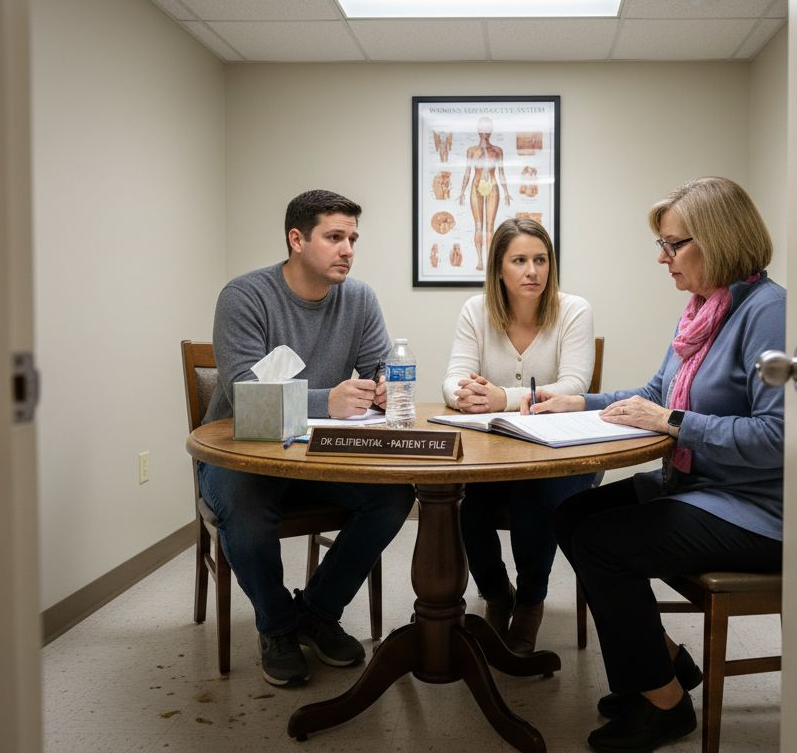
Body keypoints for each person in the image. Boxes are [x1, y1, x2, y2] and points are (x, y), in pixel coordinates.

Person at [529, 177, 785, 752]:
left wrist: (674, 425)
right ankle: (659, 665)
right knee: (572, 515)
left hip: (758, 511)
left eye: (673, 244)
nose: (661, 257)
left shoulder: (769, 313)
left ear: (716, 241)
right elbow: (656, 392)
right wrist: (580, 401)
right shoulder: (705, 309)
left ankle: (665, 704)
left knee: (603, 542)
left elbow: (779, 436)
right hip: (702, 486)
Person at [197, 189, 415, 687]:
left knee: (394, 495)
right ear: (297, 239)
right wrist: (327, 401)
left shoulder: (359, 298)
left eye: (353, 238)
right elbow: (245, 397)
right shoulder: (244, 296)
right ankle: (277, 626)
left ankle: (317, 612)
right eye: (334, 237)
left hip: (319, 457)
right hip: (243, 456)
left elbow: (380, 364)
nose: (348, 250)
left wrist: (383, 385)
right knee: (245, 509)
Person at [442, 217, 595, 653]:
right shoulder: (476, 310)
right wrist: (464, 394)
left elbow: (573, 387)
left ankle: (530, 603)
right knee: (463, 503)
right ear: (499, 270)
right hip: (496, 456)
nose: (533, 271)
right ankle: (496, 594)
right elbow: (451, 379)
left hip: (563, 456)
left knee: (535, 500)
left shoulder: (574, 310)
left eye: (541, 260)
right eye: (520, 260)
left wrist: (500, 398)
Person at [456, 117, 511, 270]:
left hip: (493, 185)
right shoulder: (472, 151)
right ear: (478, 132)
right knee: (479, 226)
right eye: (482, 131)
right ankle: (480, 260)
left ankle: (489, 261)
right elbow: (467, 172)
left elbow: (501, 172)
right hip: (476, 185)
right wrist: (461, 191)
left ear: (491, 131)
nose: (485, 134)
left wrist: (506, 192)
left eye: (487, 131)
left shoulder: (497, 150)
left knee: (490, 226)